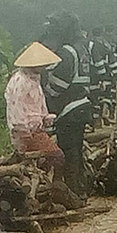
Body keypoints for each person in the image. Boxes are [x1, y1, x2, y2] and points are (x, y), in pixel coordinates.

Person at [41, 11, 93, 199]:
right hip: (82, 106)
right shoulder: (82, 48)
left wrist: (45, 83)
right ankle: (81, 189)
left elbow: (57, 86)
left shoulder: (67, 52)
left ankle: (73, 192)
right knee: (76, 150)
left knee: (68, 152)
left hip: (69, 109)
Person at [5, 41, 64, 176]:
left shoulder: (34, 79)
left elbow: (38, 103)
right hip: (25, 130)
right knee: (56, 156)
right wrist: (21, 129)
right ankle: (55, 189)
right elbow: (15, 105)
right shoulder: (20, 81)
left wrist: (45, 117)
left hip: (36, 128)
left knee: (44, 162)